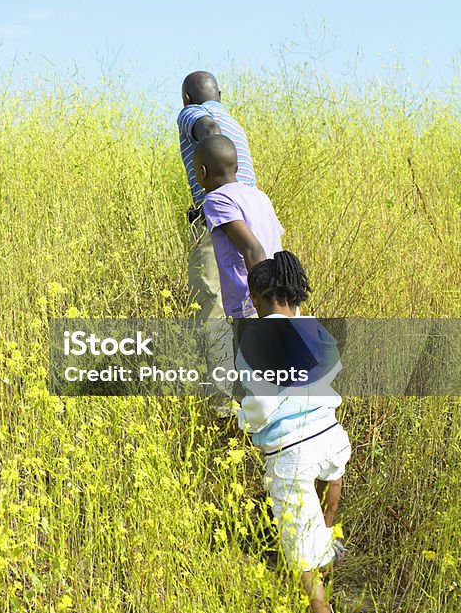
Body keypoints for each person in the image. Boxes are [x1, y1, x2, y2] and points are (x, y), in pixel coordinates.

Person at [239, 250, 350, 613]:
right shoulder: (310, 325)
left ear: (255, 299)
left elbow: (264, 403)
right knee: (330, 483)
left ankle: (320, 607)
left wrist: (245, 419)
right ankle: (330, 547)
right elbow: (334, 362)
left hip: (292, 449)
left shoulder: (256, 339)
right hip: (330, 434)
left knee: (299, 544)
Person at [177, 72, 257, 411]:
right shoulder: (235, 122)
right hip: (250, 214)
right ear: (220, 95)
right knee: (251, 303)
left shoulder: (191, 113)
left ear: (186, 98)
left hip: (220, 216)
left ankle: (221, 405)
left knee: (211, 307)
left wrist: (220, 191)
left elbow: (208, 131)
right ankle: (257, 394)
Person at [193, 134, 284, 320]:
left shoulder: (215, 199)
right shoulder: (259, 196)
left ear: (202, 172)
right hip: (282, 298)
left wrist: (265, 309)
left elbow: (253, 249)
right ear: (237, 167)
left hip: (253, 305)